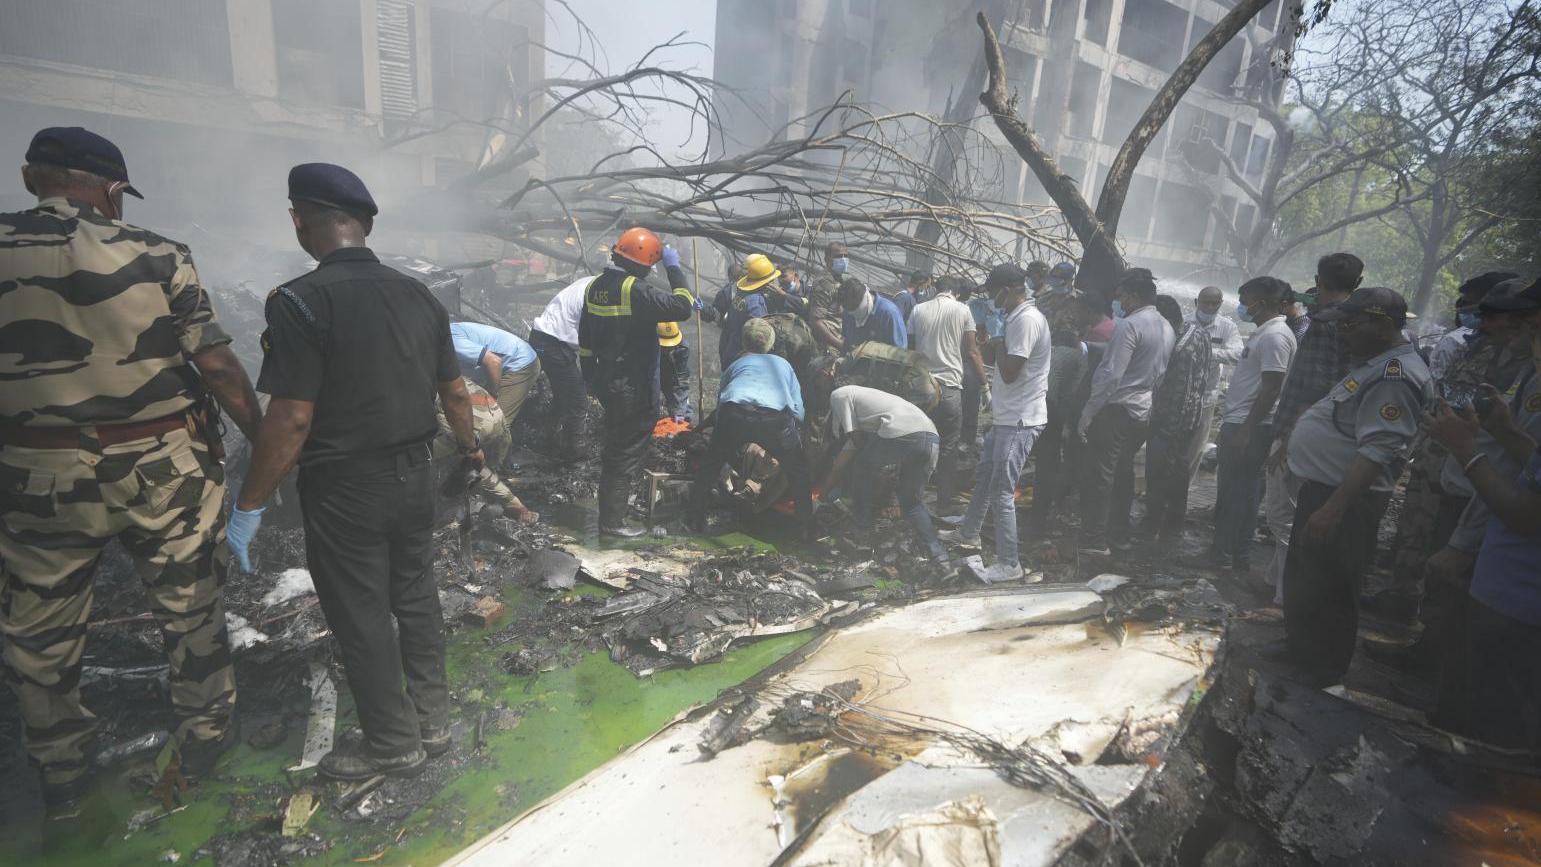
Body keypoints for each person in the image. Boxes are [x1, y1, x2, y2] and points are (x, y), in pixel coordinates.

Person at [0, 128, 263, 814]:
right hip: (160, 463)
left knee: (39, 628)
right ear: (112, 190)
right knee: (190, 603)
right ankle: (205, 735)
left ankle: (62, 772)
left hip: (35, 468)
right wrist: (264, 441)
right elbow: (217, 366)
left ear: (33, 177)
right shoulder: (158, 253)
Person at [231, 163, 479, 780]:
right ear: (365, 224)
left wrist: (250, 503)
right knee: (416, 597)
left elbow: (290, 418)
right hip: (414, 475)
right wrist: (471, 452)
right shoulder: (419, 294)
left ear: (299, 220)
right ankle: (433, 723)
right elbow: (455, 394)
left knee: (361, 611)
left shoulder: (297, 302)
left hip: (345, 488)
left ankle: (392, 744)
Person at [1282, 287, 1434, 686]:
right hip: (1326, 489)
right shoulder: (1374, 363)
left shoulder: (1395, 377)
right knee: (1307, 574)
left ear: (1381, 325)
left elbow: (1378, 450)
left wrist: (1335, 507)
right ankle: (1299, 647)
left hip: (1349, 497)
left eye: (1350, 325)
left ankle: (1324, 669)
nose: (1341, 333)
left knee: (1333, 582)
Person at [1424, 276, 1541, 749]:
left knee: (1496, 737)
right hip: (1504, 580)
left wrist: (1465, 448)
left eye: (1531, 326)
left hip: (1520, 595)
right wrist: (1508, 433)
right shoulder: (1529, 374)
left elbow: (1527, 514)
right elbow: (1529, 462)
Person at [578, 227, 696, 537]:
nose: (652, 269)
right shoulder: (635, 290)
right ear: (641, 262)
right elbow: (683, 306)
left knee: (617, 448)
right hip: (634, 386)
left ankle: (614, 513)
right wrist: (673, 267)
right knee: (625, 452)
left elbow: (585, 342)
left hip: (608, 382)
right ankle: (612, 524)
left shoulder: (594, 287)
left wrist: (592, 381)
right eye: (652, 263)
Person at [938, 265, 1051, 581]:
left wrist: (998, 339)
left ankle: (1009, 562)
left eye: (993, 291)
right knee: (986, 476)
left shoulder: (1026, 320)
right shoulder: (1016, 318)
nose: (990, 297)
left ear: (1010, 289)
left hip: (1020, 419)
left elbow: (1011, 370)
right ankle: (968, 533)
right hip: (1007, 414)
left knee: (1002, 490)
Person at [1263, 254, 1363, 602]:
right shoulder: (1353, 322)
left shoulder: (1326, 323)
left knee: (1283, 513)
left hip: (1302, 431)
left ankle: (1283, 596)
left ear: (1318, 280)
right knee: (1290, 511)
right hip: (1324, 434)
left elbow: (1316, 389)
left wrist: (1289, 437)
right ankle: (1275, 581)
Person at [1076, 268, 1175, 554]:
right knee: (1123, 473)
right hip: (1142, 409)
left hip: (1117, 409)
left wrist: (1089, 412)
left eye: (1120, 297)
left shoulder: (1129, 325)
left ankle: (1094, 539)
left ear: (1132, 296)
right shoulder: (1165, 326)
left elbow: (1112, 374)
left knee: (1101, 475)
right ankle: (1118, 534)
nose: (1118, 303)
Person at [687, 319, 811, 537]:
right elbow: (798, 410)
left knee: (710, 466)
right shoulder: (783, 365)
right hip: (774, 419)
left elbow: (721, 404)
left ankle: (693, 520)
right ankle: (806, 528)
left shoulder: (736, 365)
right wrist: (792, 436)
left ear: (743, 342)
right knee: (798, 470)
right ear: (771, 343)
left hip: (734, 412)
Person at [1211, 276, 1297, 574]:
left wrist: (1247, 428)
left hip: (1250, 426)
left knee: (1239, 493)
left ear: (1263, 302)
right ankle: (1231, 554)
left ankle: (1228, 556)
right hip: (1243, 421)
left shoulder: (1275, 336)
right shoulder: (1265, 334)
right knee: (1238, 491)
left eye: (1246, 300)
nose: (1242, 306)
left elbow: (1272, 388)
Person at [820, 385, 947, 562]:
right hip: (931, 436)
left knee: (861, 468)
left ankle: (862, 531)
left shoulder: (839, 394)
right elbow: (839, 465)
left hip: (902, 431)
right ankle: (941, 558)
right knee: (911, 503)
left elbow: (853, 439)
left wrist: (820, 498)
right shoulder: (871, 412)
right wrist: (821, 496)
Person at [907, 273, 987, 505]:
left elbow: (910, 350)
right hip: (950, 387)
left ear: (936, 289)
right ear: (956, 292)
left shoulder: (918, 310)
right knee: (949, 447)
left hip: (922, 387)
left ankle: (913, 500)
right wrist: (984, 386)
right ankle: (944, 502)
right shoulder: (963, 310)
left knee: (920, 443)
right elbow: (972, 351)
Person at [1142, 295, 1213, 542]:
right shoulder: (1198, 331)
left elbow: (1179, 391)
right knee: (1179, 471)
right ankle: (1172, 523)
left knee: (1160, 472)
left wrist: (1168, 428)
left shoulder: (1181, 346)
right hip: (1191, 415)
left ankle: (1155, 524)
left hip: (1172, 420)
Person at [1024, 287, 1089, 534]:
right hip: (1054, 411)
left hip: (1034, 406)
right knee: (1052, 464)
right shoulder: (1077, 357)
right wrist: (1069, 425)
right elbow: (1072, 394)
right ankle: (1043, 515)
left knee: (1042, 461)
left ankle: (1038, 512)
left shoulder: (1047, 351)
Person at [431, 379, 539, 523]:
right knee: (478, 464)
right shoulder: (441, 370)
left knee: (420, 456)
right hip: (495, 416)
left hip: (469, 421)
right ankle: (514, 504)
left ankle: (508, 503)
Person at [1184, 285, 1245, 481]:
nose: (1209, 307)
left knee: (1195, 449)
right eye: (1205, 303)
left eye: (1214, 304)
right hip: (1180, 395)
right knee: (1174, 445)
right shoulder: (1184, 322)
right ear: (1196, 302)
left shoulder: (1227, 327)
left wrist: (1207, 352)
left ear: (1220, 304)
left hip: (1206, 397)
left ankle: (1183, 490)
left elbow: (1238, 354)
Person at [529, 275, 591, 460]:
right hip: (553, 344)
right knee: (578, 401)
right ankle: (574, 457)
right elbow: (593, 337)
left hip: (541, 337)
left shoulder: (591, 282)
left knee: (563, 394)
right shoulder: (601, 293)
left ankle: (546, 441)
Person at [448, 321, 540, 439]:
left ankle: (497, 455)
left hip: (519, 363)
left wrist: (492, 396)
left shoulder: (452, 341)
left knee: (496, 424)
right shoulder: (439, 337)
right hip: (492, 367)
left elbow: (494, 362)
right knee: (478, 414)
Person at [711, 253, 778, 368]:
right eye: (771, 280)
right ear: (765, 282)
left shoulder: (741, 294)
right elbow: (759, 337)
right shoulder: (756, 303)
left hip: (729, 348)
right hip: (744, 358)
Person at [841, 277, 907, 350]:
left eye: (856, 309)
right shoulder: (847, 313)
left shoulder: (889, 314)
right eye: (850, 312)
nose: (853, 315)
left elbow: (899, 352)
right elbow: (846, 342)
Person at [808, 242, 848, 353]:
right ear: (827, 259)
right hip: (830, 346)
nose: (843, 259)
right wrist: (839, 345)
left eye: (846, 256)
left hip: (842, 337)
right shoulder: (824, 282)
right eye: (838, 256)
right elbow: (816, 322)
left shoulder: (842, 279)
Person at [656, 322, 694, 423]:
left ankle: (684, 421)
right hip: (653, 368)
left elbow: (681, 379)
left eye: (671, 346)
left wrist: (680, 411)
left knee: (682, 408)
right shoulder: (646, 344)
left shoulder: (682, 348)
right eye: (665, 346)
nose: (668, 348)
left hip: (671, 373)